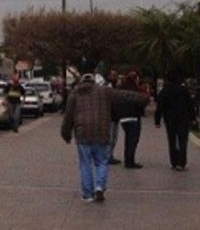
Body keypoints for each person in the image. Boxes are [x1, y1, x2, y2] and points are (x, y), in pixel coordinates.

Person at [61, 73, 148, 203]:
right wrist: (143, 98)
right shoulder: (104, 91)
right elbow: (124, 95)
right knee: (101, 162)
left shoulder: (75, 93)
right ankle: (99, 187)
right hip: (102, 132)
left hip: (82, 132)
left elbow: (68, 116)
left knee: (85, 164)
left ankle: (87, 195)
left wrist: (66, 134)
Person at [155, 74, 196, 171]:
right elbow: (190, 104)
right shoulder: (183, 90)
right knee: (182, 140)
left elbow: (160, 106)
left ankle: (174, 161)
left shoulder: (165, 91)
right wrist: (193, 118)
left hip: (170, 119)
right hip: (183, 118)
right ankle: (182, 162)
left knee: (172, 140)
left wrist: (157, 120)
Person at [115, 72, 147, 169]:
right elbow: (142, 102)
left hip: (123, 117)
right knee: (133, 140)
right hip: (134, 116)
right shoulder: (136, 90)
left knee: (128, 138)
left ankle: (128, 159)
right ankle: (130, 161)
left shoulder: (120, 89)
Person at [104, 70, 121, 165]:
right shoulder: (108, 86)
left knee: (114, 138)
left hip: (115, 116)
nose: (115, 77)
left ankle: (110, 155)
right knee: (109, 138)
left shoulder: (116, 87)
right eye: (113, 75)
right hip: (109, 116)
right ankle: (107, 156)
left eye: (116, 75)